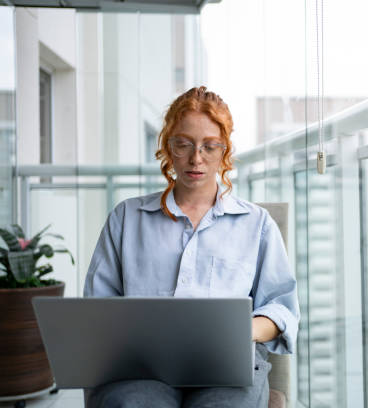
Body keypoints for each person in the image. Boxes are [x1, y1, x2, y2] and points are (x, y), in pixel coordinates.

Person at [83, 86, 299, 408]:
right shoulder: (126, 218)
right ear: (168, 147)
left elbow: (281, 308)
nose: (196, 158)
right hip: (142, 369)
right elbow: (96, 308)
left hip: (227, 368)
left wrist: (240, 331)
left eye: (210, 147)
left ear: (224, 151)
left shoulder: (258, 224)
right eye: (183, 144)